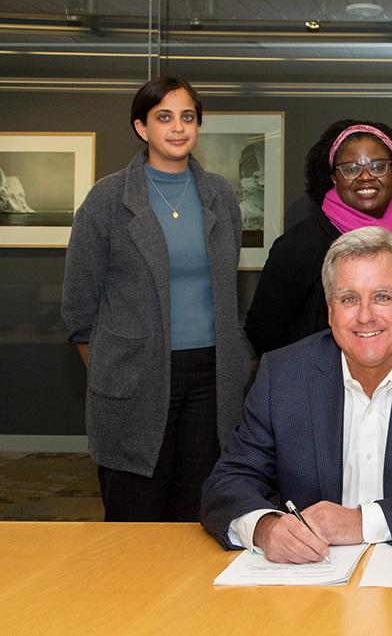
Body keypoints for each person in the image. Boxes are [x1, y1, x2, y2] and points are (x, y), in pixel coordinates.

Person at [201, 227, 392, 561]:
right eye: (349, 299)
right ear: (330, 310)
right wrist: (265, 528)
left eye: (381, 296)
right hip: (310, 582)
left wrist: (362, 522)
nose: (365, 316)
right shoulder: (283, 375)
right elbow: (228, 482)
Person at [62, 76, 251, 521]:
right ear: (141, 128)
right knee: (135, 512)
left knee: (198, 511)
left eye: (188, 117)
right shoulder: (108, 198)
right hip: (137, 374)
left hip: (211, 375)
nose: (178, 127)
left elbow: (227, 287)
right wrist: (115, 367)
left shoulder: (220, 195)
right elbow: (78, 305)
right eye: (163, 117)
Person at [244, 120, 392, 357]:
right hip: (320, 387)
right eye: (351, 168)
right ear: (334, 178)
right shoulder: (300, 245)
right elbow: (264, 331)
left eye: (378, 166)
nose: (366, 177)